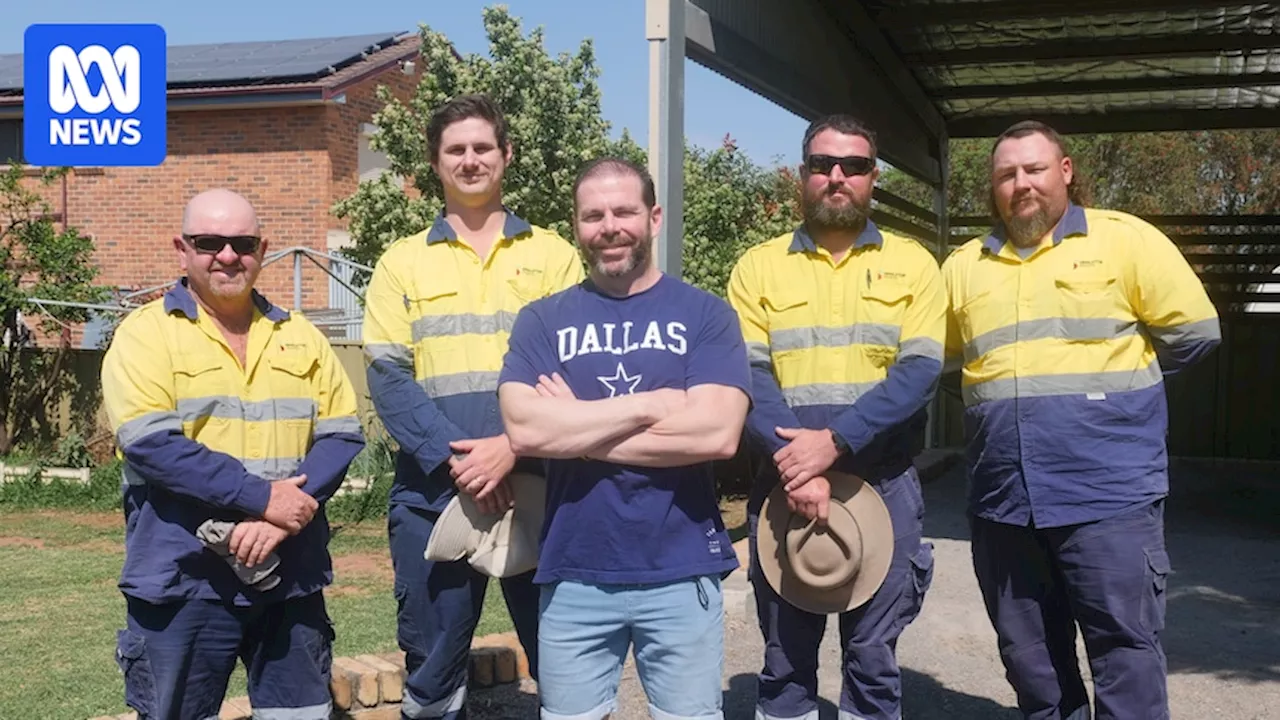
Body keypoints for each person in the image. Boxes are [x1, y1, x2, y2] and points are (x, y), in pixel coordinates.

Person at [941, 120, 1221, 720]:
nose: (1021, 184)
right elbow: (940, 362)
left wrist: (1113, 402)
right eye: (1006, 175)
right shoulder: (964, 266)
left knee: (1125, 654)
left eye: (1035, 169)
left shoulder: (1125, 241)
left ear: (1064, 171)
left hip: (1109, 497)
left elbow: (1195, 335)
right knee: (1031, 662)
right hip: (1004, 503)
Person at [496, 156, 751, 720]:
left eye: (624, 211)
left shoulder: (706, 315)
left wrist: (576, 428)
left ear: (653, 217)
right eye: (593, 215)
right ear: (576, 226)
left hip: (681, 570)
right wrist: (651, 406)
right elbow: (525, 427)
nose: (609, 226)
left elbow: (717, 432)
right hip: (574, 570)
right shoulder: (542, 320)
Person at [100, 188, 366, 720]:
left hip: (290, 573)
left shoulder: (301, 336)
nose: (227, 255)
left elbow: (342, 434)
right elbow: (152, 445)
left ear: (262, 249)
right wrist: (264, 499)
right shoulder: (145, 335)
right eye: (209, 242)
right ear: (182, 249)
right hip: (186, 578)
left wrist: (283, 518)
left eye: (242, 243)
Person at [361, 93, 584, 719]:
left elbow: (576, 372)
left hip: (540, 489)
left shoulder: (553, 255)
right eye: (455, 149)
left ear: (506, 155)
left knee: (563, 660)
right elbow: (388, 379)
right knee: (432, 673)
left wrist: (511, 449)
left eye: (482, 147)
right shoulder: (401, 262)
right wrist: (459, 462)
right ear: (435, 163)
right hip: (434, 495)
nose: (470, 159)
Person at [726, 114, 945, 720]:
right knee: (785, 659)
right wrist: (798, 462)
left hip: (883, 483)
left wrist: (835, 443)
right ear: (803, 176)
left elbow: (919, 373)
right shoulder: (758, 267)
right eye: (823, 165)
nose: (837, 177)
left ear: (873, 177)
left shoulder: (915, 265)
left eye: (853, 165)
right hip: (785, 483)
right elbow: (749, 377)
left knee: (873, 659)